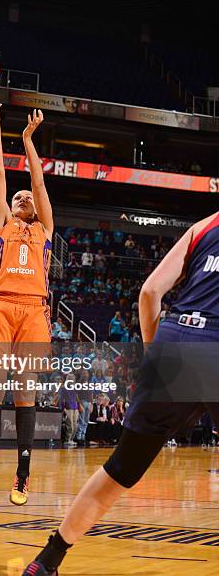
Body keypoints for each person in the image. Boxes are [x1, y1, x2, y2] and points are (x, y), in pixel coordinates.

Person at [22, 210, 219, 575]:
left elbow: (149, 292)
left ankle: (47, 560)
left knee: (121, 468)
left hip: (175, 340)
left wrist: (155, 351)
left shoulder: (204, 226)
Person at [0, 93, 53, 506]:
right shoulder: (2, 222)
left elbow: (37, 180)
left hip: (35, 311)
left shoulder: (45, 230)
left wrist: (28, 138)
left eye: (27, 198)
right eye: (17, 197)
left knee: (25, 393)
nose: (23, 198)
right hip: (0, 307)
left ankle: (22, 477)